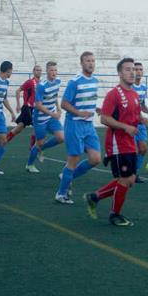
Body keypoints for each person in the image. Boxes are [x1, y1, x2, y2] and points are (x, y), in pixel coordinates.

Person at [83, 58, 142, 227]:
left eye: (134, 69)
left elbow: (135, 118)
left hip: (130, 143)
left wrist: (142, 121)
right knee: (125, 180)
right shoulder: (114, 94)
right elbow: (104, 118)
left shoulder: (135, 95)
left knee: (129, 179)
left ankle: (95, 197)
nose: (132, 72)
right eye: (128, 69)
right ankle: (114, 215)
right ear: (120, 73)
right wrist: (125, 127)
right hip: (117, 143)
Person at [55, 52, 101, 204]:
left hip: (89, 126)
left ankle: (67, 176)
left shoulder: (95, 81)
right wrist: (79, 112)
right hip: (74, 124)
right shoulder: (75, 82)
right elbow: (64, 103)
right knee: (73, 159)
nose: (91, 63)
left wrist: (98, 109)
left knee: (95, 159)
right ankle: (61, 194)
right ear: (81, 63)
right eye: (88, 61)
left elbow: (88, 101)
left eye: (93, 61)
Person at [25, 61, 64, 173]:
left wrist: (58, 108)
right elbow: (38, 105)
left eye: (55, 70)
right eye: (51, 70)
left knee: (61, 137)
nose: (54, 72)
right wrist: (53, 114)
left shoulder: (58, 81)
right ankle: (29, 165)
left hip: (51, 115)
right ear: (47, 71)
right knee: (39, 142)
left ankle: (42, 149)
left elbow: (54, 95)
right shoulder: (41, 86)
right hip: (40, 118)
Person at [132, 62, 148, 184]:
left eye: (140, 69)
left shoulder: (142, 88)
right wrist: (141, 118)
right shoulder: (129, 88)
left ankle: (134, 173)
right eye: (135, 69)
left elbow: (141, 105)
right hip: (130, 123)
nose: (138, 71)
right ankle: (128, 172)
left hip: (140, 123)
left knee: (143, 149)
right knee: (132, 150)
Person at [6, 65, 42, 146]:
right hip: (28, 108)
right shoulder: (29, 82)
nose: (39, 72)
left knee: (23, 127)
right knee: (29, 126)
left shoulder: (41, 83)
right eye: (37, 70)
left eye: (40, 70)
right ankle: (32, 146)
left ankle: (5, 140)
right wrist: (18, 104)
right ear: (33, 71)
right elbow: (18, 91)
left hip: (35, 109)